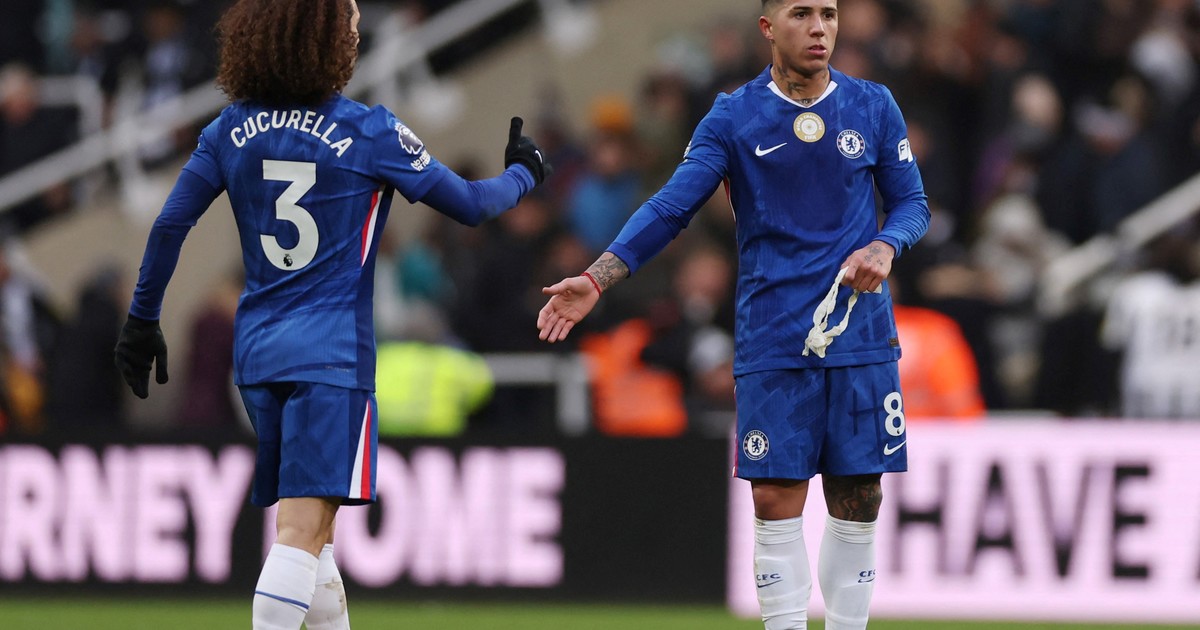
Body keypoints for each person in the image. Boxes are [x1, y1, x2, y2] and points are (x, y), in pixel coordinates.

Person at [112, 1, 548, 629]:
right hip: (332, 359)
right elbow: (473, 205)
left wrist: (142, 319)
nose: (357, 29)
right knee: (300, 531)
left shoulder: (229, 129)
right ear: (325, 40)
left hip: (258, 357)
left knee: (316, 544)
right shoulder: (370, 131)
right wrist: (524, 174)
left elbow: (170, 224)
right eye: (349, 20)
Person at [536, 2, 928, 628]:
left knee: (859, 495)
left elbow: (912, 203)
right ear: (768, 28)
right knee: (775, 497)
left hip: (860, 335)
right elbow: (670, 207)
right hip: (774, 336)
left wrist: (885, 245)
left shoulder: (873, 104)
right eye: (802, 14)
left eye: (829, 14)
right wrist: (596, 277)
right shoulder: (734, 116)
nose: (820, 27)